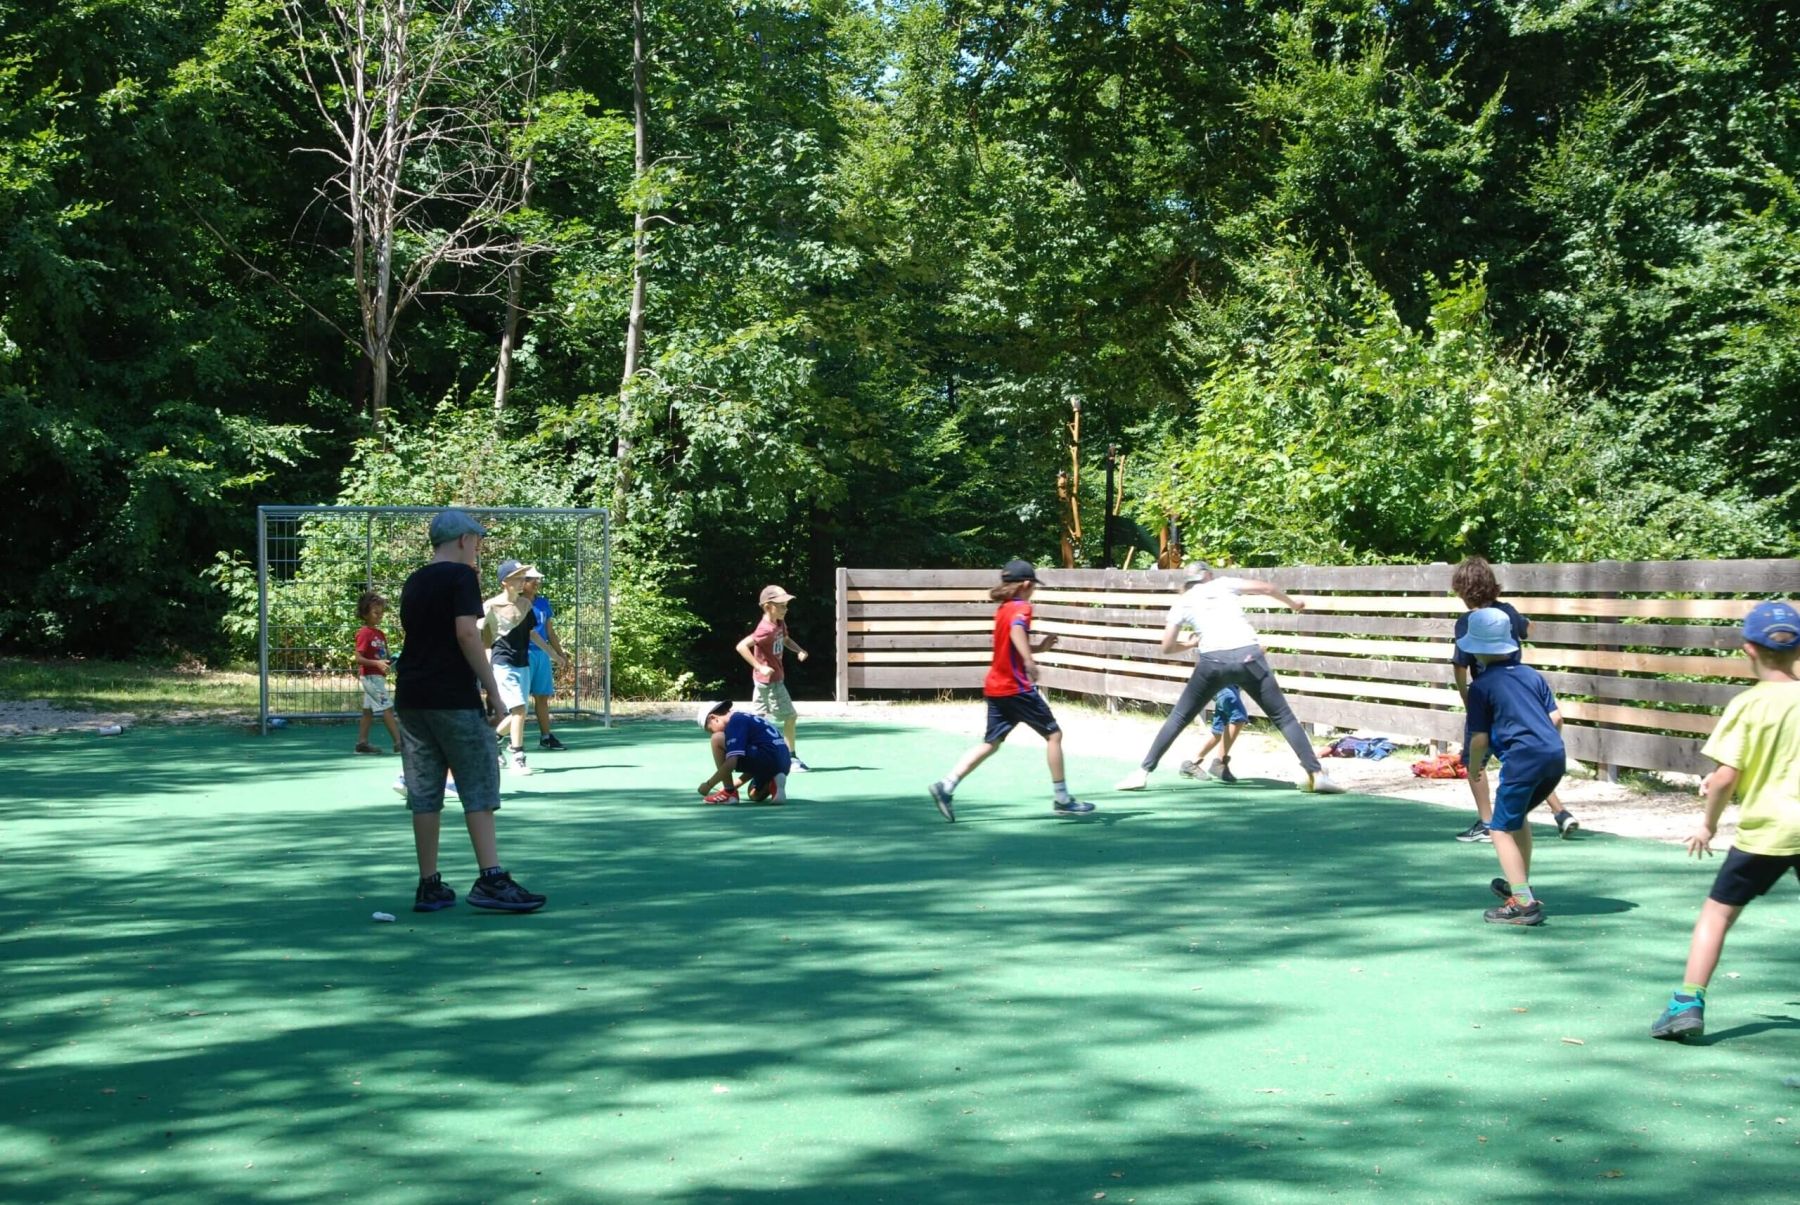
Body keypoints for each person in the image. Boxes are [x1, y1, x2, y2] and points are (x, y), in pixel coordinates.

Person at [1650, 600, 1800, 1041]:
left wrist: (1708, 824)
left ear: (1748, 649)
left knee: (1716, 915)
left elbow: (1725, 778)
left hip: (1766, 831)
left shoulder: (1748, 705)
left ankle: (1687, 1004)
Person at [393, 509, 545, 913]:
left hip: (411, 696)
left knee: (425, 791)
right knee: (478, 782)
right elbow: (466, 633)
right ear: (463, 540)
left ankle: (429, 885)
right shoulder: (461, 576)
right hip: (452, 696)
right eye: (476, 539)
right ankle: (490, 879)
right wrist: (493, 692)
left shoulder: (415, 579)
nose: (478, 546)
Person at [1115, 562, 1343, 794]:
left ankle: (1141, 773)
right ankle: (1317, 774)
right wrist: (1293, 604)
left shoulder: (1183, 602)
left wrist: (1190, 644)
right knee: (1284, 717)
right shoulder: (1224, 584)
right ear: (1208, 575)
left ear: (1189, 581)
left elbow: (1167, 647)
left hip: (1213, 663)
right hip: (1249, 658)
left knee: (1179, 717)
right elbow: (1267, 588)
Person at [926, 560, 1094, 822]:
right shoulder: (1021, 608)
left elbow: (1012, 643)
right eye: (1033, 586)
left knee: (991, 743)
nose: (1033, 591)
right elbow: (1017, 632)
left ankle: (946, 785)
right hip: (1016, 688)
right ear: (1026, 584)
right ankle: (1062, 799)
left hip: (996, 687)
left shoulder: (1003, 609)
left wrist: (1038, 648)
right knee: (1054, 735)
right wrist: (1029, 662)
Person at [1449, 557, 1579, 843]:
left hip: (1488, 695)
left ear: (1463, 589)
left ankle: (1486, 822)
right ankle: (1560, 812)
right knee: (1524, 755)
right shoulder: (1507, 611)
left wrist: (1468, 701)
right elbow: (1528, 628)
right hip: (1518, 691)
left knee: (1474, 760)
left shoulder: (1468, 622)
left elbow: (1459, 666)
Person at [1461, 606, 1567, 926]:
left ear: (1476, 649)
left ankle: (1523, 903)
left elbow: (1480, 739)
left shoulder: (1481, 686)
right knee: (1516, 818)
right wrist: (1543, 746)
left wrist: (1475, 767)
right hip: (1554, 756)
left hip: (1522, 762)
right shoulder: (1531, 675)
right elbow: (1556, 718)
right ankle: (1520, 883)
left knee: (1499, 828)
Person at [481, 559, 552, 776]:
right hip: (502, 663)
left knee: (519, 713)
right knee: (519, 710)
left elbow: (532, 634)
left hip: (523, 663)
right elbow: (483, 639)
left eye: (523, 576)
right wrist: (485, 669)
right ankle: (518, 757)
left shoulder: (525, 605)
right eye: (517, 577)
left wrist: (553, 654)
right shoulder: (491, 606)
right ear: (505, 581)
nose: (523, 580)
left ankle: (492, 739)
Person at [736, 585, 812, 771]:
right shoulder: (765, 629)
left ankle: (748, 754)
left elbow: (785, 640)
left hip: (765, 680)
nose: (786, 609)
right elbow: (741, 646)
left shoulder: (779, 623)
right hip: (770, 682)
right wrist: (760, 666)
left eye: (786, 605)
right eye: (782, 605)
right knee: (791, 717)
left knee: (757, 718)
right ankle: (790, 758)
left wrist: (799, 650)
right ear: (768, 607)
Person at [696, 700, 792, 805]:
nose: (712, 733)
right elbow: (754, 764)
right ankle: (775, 781)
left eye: (710, 730)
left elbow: (732, 762)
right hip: (784, 762)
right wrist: (735, 785)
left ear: (713, 718)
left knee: (717, 739)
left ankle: (729, 793)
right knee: (754, 794)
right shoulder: (746, 718)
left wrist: (709, 785)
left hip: (766, 757)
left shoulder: (735, 722)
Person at [517, 568, 572, 750]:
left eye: (537, 579)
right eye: (532, 579)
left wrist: (560, 653)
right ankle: (513, 741)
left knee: (542, 696)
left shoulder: (543, 603)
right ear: (522, 582)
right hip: (523, 653)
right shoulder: (516, 603)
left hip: (542, 654)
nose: (536, 583)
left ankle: (546, 737)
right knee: (519, 701)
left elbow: (549, 631)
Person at [352, 590, 402, 755]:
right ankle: (399, 742)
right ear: (365, 613)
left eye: (381, 613)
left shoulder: (380, 634)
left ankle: (362, 743)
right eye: (375, 612)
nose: (380, 616)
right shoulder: (364, 633)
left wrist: (391, 661)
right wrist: (376, 663)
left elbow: (383, 656)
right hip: (370, 677)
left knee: (368, 710)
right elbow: (358, 658)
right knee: (387, 707)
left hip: (378, 677)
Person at [1180, 685, 1247, 782]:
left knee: (1219, 731)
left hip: (1230, 686)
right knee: (1238, 717)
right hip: (1225, 685)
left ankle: (1190, 763)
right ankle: (1219, 763)